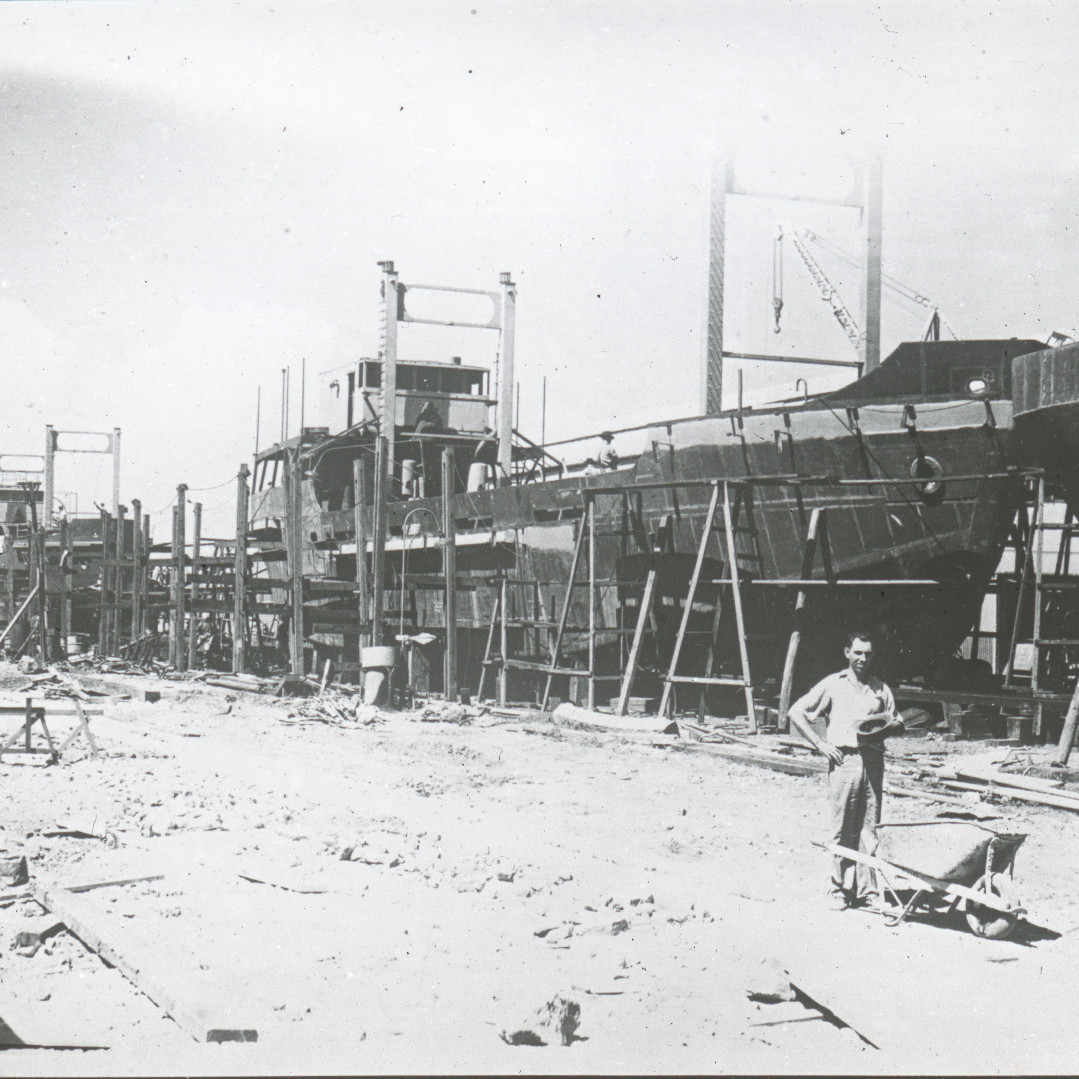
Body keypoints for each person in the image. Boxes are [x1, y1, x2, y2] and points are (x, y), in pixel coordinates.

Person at [787, 629, 904, 910]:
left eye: (868, 653)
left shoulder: (880, 688)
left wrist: (889, 727)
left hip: (873, 762)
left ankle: (868, 892)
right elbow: (795, 711)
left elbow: (898, 723)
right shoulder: (833, 684)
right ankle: (839, 889)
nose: (863, 658)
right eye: (858, 653)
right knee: (842, 826)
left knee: (869, 826)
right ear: (847, 653)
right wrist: (820, 745)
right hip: (844, 761)